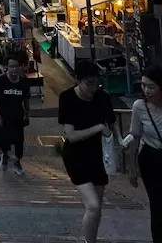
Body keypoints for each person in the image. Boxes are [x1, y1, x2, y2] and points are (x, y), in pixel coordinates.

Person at [58, 60, 119, 243]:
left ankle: (90, 239)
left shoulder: (103, 97)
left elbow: (113, 124)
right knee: (92, 205)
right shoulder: (67, 98)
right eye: (89, 84)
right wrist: (98, 128)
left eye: (96, 83)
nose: (93, 88)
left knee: (96, 207)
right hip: (76, 157)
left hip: (98, 156)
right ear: (78, 80)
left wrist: (120, 140)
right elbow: (71, 135)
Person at [128, 63, 162, 242]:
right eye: (143, 85)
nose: (146, 90)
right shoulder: (139, 107)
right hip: (150, 158)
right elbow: (135, 138)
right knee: (157, 205)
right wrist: (132, 169)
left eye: (151, 86)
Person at [0, 55, 30, 175]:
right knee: (5, 139)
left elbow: (26, 100)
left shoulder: (24, 82)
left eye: (16, 66)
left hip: (18, 115)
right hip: (5, 115)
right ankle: (5, 155)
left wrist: (27, 114)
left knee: (19, 140)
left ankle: (17, 162)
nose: (14, 69)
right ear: (6, 67)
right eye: (12, 67)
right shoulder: (1, 80)